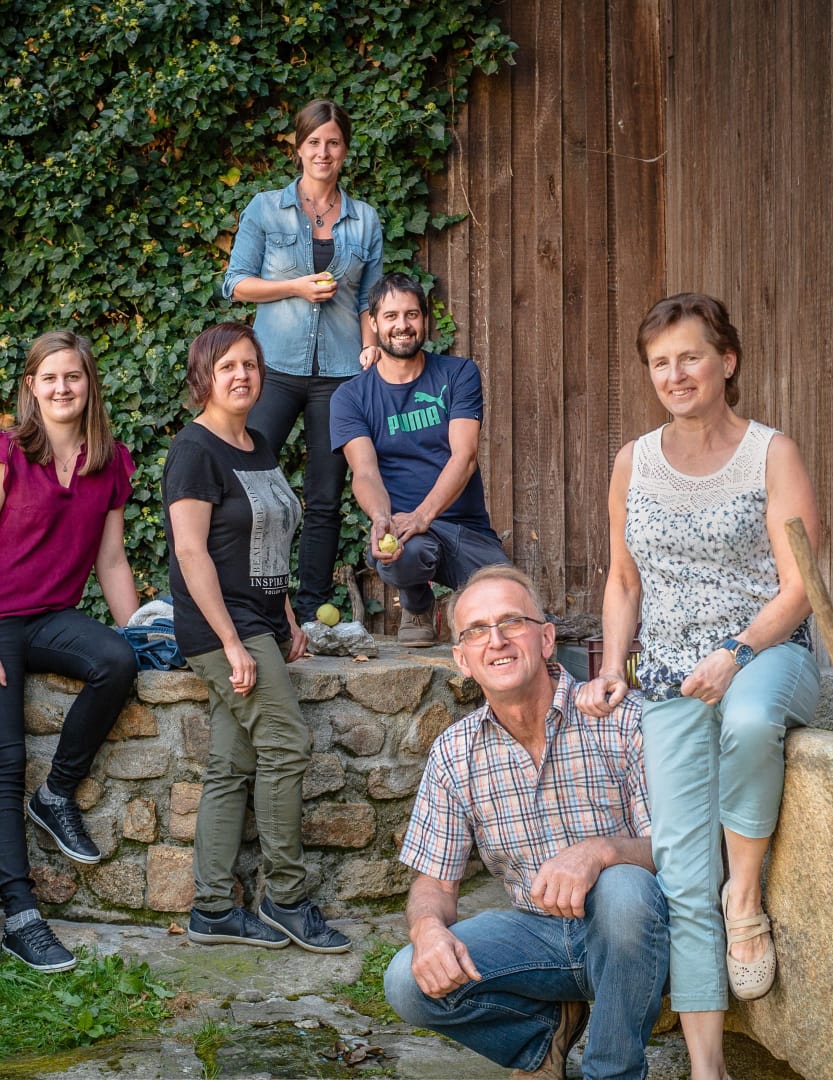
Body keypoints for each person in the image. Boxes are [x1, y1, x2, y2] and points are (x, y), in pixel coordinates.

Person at [575, 293, 822, 1080]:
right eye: (660, 363)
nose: (675, 374)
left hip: (766, 654)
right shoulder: (633, 462)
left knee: (748, 720)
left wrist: (733, 652)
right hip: (669, 682)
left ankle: (742, 897)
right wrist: (612, 667)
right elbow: (623, 579)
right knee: (682, 875)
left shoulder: (769, 453)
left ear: (726, 361)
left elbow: (799, 587)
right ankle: (707, 1068)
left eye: (689, 356)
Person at [383, 564, 668, 1080]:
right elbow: (434, 884)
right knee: (407, 979)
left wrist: (600, 852)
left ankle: (613, 1071)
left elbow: (676, 850)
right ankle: (543, 1037)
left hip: (638, 937)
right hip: (539, 938)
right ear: (462, 660)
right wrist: (427, 929)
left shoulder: (621, 718)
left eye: (512, 622)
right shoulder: (455, 752)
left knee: (624, 888)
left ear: (546, 639)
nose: (496, 640)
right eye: (476, 631)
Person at [0, 330, 141, 973]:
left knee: (119, 661)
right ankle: (22, 918)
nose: (62, 388)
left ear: (89, 384)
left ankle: (56, 794)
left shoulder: (111, 462)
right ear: (31, 386)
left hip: (50, 617)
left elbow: (112, 561)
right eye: (49, 377)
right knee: (4, 761)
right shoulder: (2, 452)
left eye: (73, 376)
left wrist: (141, 634)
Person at [163, 321, 351, 954]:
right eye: (227, 367)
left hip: (260, 622)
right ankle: (286, 898)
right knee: (286, 744)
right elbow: (191, 553)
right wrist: (232, 642)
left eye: (250, 364)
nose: (241, 375)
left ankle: (213, 908)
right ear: (204, 379)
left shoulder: (258, 442)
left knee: (232, 763)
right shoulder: (194, 451)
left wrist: (288, 617)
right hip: (222, 627)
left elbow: (268, 539)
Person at [222, 99, 384, 627]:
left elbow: (369, 300)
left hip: (340, 374)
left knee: (325, 497)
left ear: (345, 150)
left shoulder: (365, 219)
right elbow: (236, 284)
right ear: (298, 148)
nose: (323, 152)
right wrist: (295, 287)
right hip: (275, 368)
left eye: (333, 142)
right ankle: (247, 602)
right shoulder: (265, 209)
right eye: (314, 142)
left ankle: (311, 608)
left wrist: (371, 345)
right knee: (249, 486)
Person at [330, 272, 508, 646]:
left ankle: (468, 611)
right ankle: (417, 604)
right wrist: (382, 518)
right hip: (405, 535)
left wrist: (423, 516)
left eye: (411, 314)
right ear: (373, 323)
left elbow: (465, 456)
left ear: (425, 319)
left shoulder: (458, 373)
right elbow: (365, 472)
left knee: (509, 599)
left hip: (463, 527)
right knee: (406, 552)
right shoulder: (351, 397)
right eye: (391, 316)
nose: (402, 325)